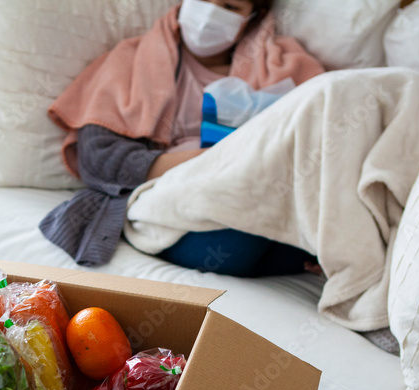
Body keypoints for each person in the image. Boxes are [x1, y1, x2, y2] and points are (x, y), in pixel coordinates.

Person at [40, 0, 325, 277]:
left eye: (230, 6)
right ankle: (293, 252)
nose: (210, 13)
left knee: (286, 217)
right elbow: (101, 159)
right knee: (233, 244)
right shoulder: (132, 60)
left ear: (253, 16)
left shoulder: (288, 67)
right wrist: (220, 159)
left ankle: (303, 247)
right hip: (178, 201)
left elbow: (325, 142)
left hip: (266, 195)